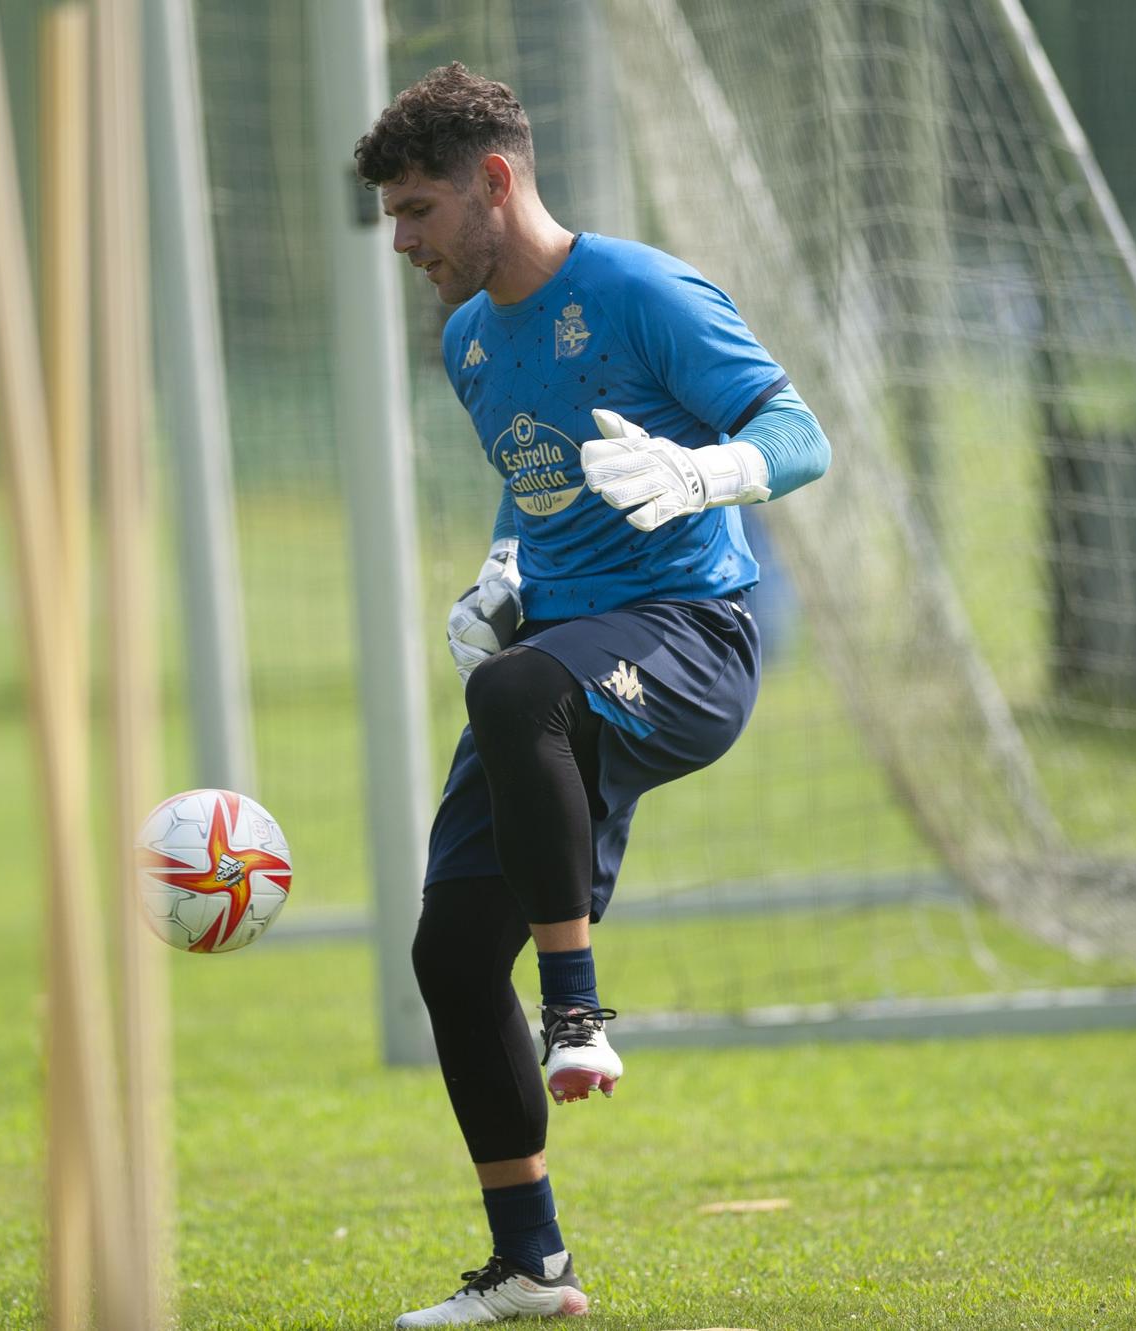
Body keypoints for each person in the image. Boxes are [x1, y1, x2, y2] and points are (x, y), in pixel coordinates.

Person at [354, 64, 832, 1325]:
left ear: (494, 181)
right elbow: (537, 491)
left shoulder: (637, 290)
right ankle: (530, 1267)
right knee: (450, 954)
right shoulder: (466, 340)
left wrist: (702, 472)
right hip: (557, 665)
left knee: (509, 696)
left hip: (690, 636)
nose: (400, 242)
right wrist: (500, 575)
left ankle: (577, 1010)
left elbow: (800, 433)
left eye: (415, 211)